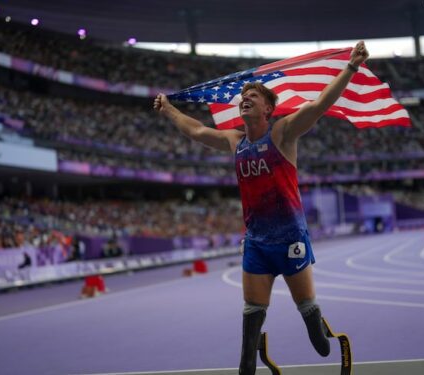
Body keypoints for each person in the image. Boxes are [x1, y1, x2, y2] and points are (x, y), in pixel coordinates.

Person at [154, 41, 369, 374]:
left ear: (268, 108)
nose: (245, 99)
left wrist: (351, 67)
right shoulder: (235, 141)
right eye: (243, 97)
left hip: (291, 240)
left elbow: (320, 104)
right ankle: (247, 366)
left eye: (252, 96)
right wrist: (168, 109)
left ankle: (320, 328)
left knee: (314, 330)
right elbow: (195, 129)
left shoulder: (283, 134)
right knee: (250, 325)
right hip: (256, 243)